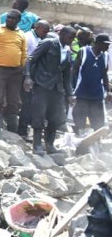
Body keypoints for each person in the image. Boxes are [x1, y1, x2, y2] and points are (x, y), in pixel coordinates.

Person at [25, 26, 76, 154]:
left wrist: (70, 94)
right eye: (70, 37)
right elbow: (31, 59)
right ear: (62, 34)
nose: (72, 40)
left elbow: (67, 77)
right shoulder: (48, 43)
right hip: (42, 85)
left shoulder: (68, 52)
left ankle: (50, 145)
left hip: (57, 89)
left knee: (55, 118)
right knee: (39, 116)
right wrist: (27, 77)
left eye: (73, 38)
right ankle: (37, 146)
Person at [17, 20, 52, 137]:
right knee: (27, 102)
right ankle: (22, 130)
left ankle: (29, 127)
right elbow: (26, 58)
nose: (46, 33)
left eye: (47, 31)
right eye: (44, 30)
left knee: (33, 103)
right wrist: (27, 76)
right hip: (27, 74)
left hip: (36, 75)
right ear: (37, 27)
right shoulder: (28, 37)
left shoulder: (40, 38)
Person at [72, 33, 111, 133]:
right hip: (82, 94)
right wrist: (71, 90)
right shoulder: (84, 52)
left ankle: (96, 144)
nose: (108, 46)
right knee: (79, 122)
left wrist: (108, 91)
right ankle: (80, 143)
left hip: (97, 95)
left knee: (98, 124)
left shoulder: (105, 56)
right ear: (98, 43)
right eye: (106, 44)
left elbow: (104, 75)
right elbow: (74, 71)